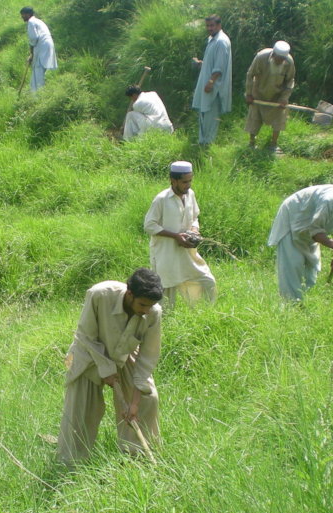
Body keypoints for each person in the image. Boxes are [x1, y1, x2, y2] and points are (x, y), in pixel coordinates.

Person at [58, 268, 163, 465]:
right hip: (87, 354)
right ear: (129, 293)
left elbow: (148, 356)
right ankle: (72, 460)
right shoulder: (100, 295)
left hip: (124, 353)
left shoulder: (153, 313)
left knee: (149, 399)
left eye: (151, 306)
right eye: (142, 305)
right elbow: (86, 336)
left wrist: (135, 402)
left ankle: (136, 456)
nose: (146, 311)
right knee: (81, 408)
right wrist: (106, 370)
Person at [267, 179, 333, 301]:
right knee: (293, 265)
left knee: (312, 269)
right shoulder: (329, 200)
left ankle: (302, 300)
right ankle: (290, 304)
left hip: (309, 228)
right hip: (292, 218)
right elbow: (315, 231)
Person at [143, 161, 216, 308]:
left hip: (187, 252)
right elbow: (149, 225)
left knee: (207, 281)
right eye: (184, 182)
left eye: (190, 181)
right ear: (173, 180)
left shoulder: (190, 195)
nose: (188, 185)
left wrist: (194, 230)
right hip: (166, 253)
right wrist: (176, 236)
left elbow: (195, 216)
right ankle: (163, 324)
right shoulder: (161, 199)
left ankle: (206, 314)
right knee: (165, 293)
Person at [244, 40, 296, 152]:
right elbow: (250, 74)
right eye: (278, 59)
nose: (279, 61)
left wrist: (284, 98)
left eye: (282, 59)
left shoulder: (289, 62)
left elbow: (290, 80)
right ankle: (252, 143)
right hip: (258, 92)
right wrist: (249, 94)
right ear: (273, 54)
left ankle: (273, 144)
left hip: (277, 95)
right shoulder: (261, 57)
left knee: (278, 119)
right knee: (254, 118)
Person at [191, 15, 232, 145]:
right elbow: (212, 63)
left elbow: (219, 67)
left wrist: (211, 82)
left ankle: (207, 144)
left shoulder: (221, 41)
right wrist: (201, 63)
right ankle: (202, 142)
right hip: (207, 82)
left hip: (214, 86)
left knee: (209, 114)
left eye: (212, 25)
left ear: (219, 26)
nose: (209, 28)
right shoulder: (212, 39)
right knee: (204, 113)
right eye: (207, 26)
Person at [20, 6, 57, 93]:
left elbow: (33, 38)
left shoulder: (31, 22)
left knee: (38, 68)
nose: (22, 17)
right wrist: (32, 54)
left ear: (28, 14)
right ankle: (42, 91)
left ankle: (38, 94)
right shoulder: (38, 21)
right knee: (42, 67)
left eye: (23, 15)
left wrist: (31, 54)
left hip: (42, 45)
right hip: (48, 44)